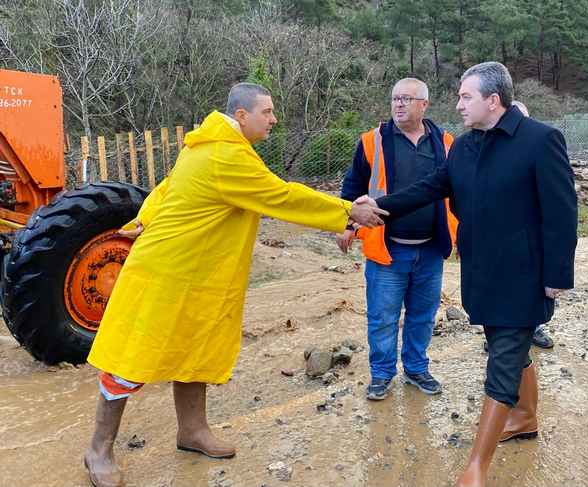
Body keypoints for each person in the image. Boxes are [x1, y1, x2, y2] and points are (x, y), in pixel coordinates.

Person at [82, 82, 386, 487]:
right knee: (129, 360)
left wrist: (145, 215)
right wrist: (348, 211)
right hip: (166, 274)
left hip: (197, 275)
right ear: (241, 115)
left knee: (196, 349)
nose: (274, 119)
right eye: (267, 111)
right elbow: (281, 196)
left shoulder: (210, 145)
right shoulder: (225, 156)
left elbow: (168, 186)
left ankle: (192, 431)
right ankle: (98, 451)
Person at [367, 62, 577, 487]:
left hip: (524, 275)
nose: (458, 104)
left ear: (492, 100)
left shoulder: (540, 140)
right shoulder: (464, 146)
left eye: (465, 96)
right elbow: (429, 188)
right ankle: (525, 418)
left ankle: (476, 467)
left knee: (502, 358)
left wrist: (558, 275)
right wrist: (374, 210)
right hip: (482, 273)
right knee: (508, 348)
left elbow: (562, 214)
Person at [336, 78, 457, 401]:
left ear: (424, 105)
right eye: (395, 99)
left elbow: (459, 190)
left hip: (431, 249)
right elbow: (353, 188)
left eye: (406, 98)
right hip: (386, 248)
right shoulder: (371, 141)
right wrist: (347, 225)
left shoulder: (446, 143)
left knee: (422, 315)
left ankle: (416, 368)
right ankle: (382, 374)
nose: (399, 104)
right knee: (383, 317)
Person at [481, 100, 555, 352]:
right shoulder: (484, 150)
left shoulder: (540, 143)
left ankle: (532, 329)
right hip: (494, 247)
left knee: (526, 297)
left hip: (529, 246)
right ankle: (497, 335)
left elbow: (558, 210)